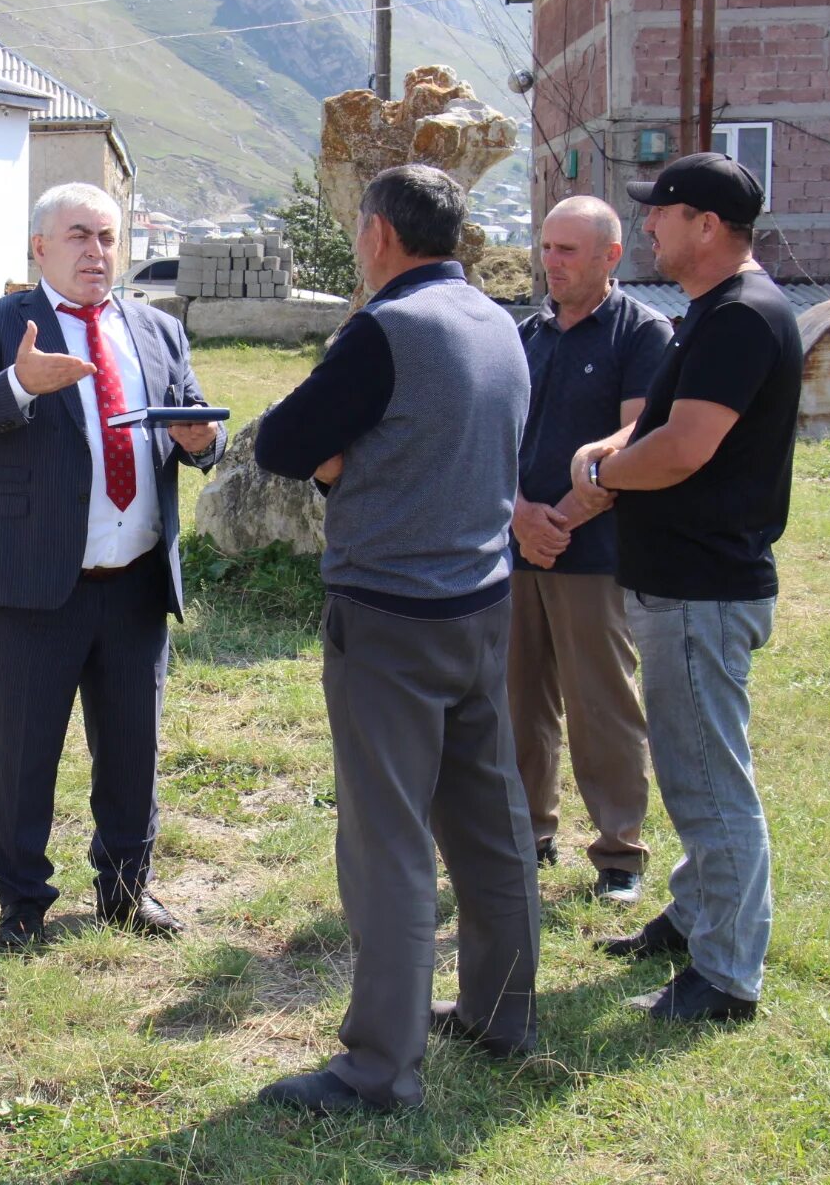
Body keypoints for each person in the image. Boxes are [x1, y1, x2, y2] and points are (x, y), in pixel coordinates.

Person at [252, 165, 537, 1112]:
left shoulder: (386, 330)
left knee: (390, 845)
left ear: (376, 235)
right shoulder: (500, 321)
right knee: (490, 823)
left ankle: (379, 1069)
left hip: (389, 616)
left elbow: (283, 443)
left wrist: (350, 467)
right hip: (484, 604)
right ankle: (502, 1014)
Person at [0, 182, 226, 950]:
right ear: (39, 247)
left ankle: (127, 890)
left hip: (134, 582)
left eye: (106, 236)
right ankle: (22, 904)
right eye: (78, 237)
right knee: (26, 753)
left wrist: (206, 445)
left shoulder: (157, 330)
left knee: (133, 750)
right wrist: (20, 384)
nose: (96, 252)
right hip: (36, 586)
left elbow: (193, 420)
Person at [567, 151, 802, 1024]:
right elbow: (651, 429)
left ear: (707, 225)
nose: (651, 227)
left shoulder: (741, 316)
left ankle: (727, 976)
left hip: (703, 588)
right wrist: (608, 455)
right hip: (682, 581)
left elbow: (684, 447)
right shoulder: (713, 312)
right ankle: (696, 914)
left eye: (661, 212)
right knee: (689, 766)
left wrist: (604, 478)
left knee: (709, 782)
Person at [510, 196, 672, 905]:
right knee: (516, 702)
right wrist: (520, 519)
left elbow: (637, 439)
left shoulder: (642, 334)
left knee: (602, 705)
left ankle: (618, 855)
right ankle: (525, 836)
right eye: (546, 248)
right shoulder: (527, 335)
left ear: (611, 257)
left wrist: (563, 520)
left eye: (568, 251)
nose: (552, 263)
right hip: (515, 548)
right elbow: (492, 437)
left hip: (594, 551)